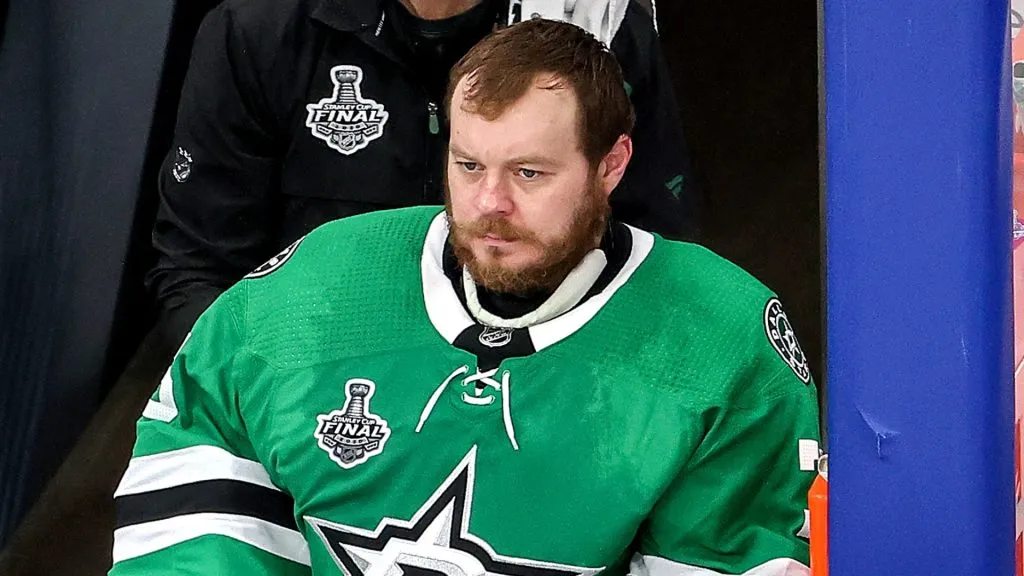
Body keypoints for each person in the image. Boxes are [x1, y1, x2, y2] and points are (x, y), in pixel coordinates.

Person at [110, 19, 818, 576]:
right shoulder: (317, 289)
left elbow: (728, 556)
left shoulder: (720, 341)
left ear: (612, 165)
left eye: (530, 173)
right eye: (469, 164)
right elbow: (201, 461)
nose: (490, 203)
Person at [148, 0, 698, 347]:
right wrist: (282, 392)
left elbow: (654, 256)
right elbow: (196, 274)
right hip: (315, 385)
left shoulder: (594, 20)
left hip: (535, 386)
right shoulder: (258, 30)